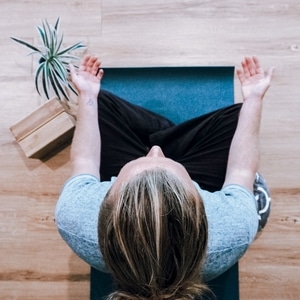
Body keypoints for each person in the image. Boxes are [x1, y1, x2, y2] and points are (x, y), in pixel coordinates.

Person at [55, 55, 274, 299]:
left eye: (146, 159)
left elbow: (84, 161)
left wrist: (86, 95)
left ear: (104, 201)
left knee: (101, 103)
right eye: (166, 162)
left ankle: (162, 130)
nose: (156, 152)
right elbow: (241, 172)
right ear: (201, 205)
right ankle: (170, 133)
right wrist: (254, 98)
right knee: (237, 118)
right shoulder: (232, 229)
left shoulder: (75, 217)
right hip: (209, 183)